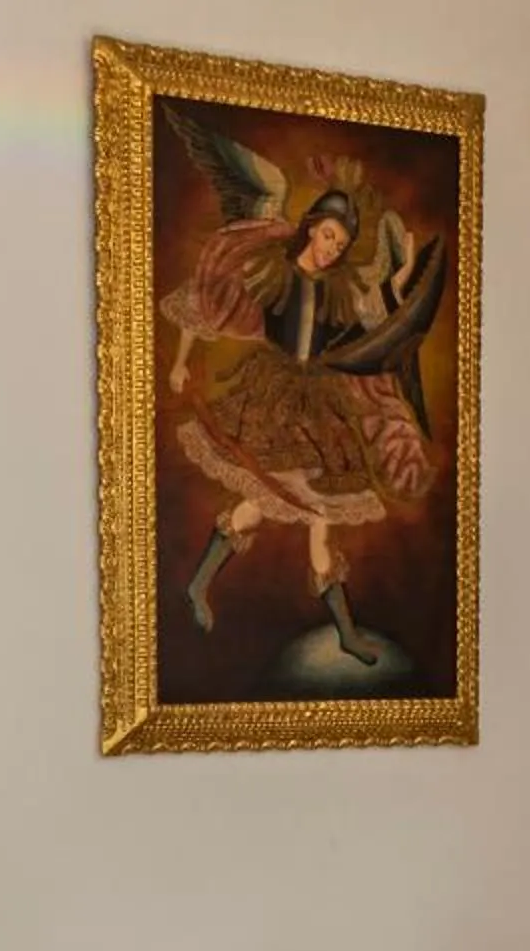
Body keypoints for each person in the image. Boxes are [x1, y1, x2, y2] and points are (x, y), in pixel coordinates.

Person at [159, 109, 448, 666]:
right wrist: (180, 362)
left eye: (341, 242)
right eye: (329, 235)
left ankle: (340, 630)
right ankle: (210, 589)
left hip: (319, 404)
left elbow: (373, 309)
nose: (333, 247)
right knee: (273, 506)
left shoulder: (342, 291)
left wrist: (405, 271)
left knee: (312, 516)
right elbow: (211, 301)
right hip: (274, 395)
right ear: (313, 227)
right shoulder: (272, 272)